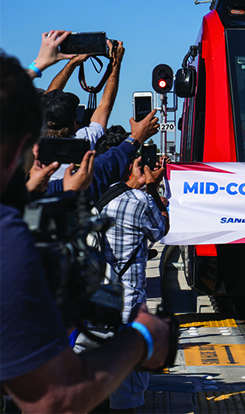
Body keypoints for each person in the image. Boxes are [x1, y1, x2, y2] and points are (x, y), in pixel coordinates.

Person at [0, 54, 171, 413]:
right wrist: (143, 337)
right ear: (26, 145)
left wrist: (41, 65)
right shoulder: (10, 236)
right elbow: (54, 399)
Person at [77, 133, 169, 413]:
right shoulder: (138, 202)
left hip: (92, 305)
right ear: (134, 164)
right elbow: (161, 229)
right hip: (126, 308)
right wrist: (152, 188)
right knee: (127, 389)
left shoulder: (96, 194)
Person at [43, 37, 125, 150]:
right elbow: (105, 105)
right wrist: (116, 62)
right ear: (74, 121)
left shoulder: (33, 140)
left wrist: (72, 63)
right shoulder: (84, 140)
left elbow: (49, 98)